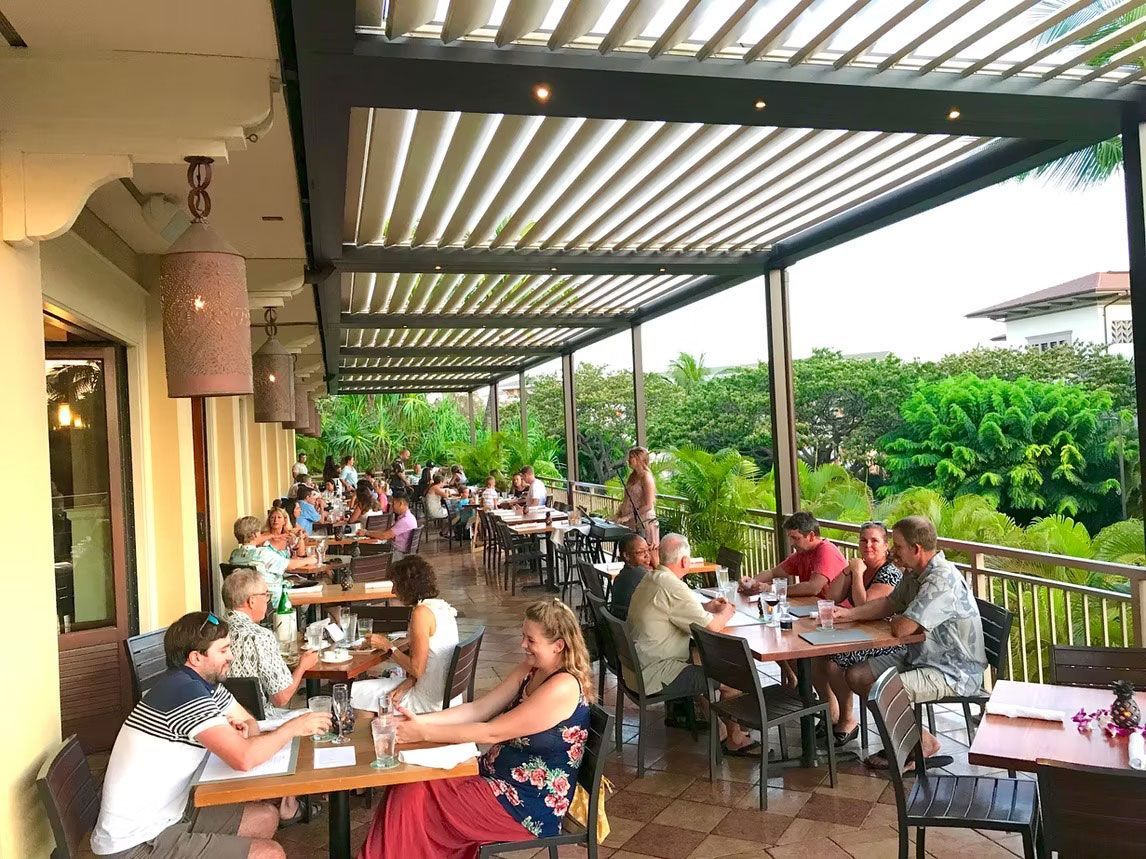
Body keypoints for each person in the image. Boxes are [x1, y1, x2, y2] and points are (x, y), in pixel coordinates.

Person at [358, 600, 592, 857]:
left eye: (530, 640)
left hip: (524, 805)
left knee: (412, 795)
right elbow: (478, 709)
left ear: (558, 645)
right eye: (523, 636)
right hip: (494, 779)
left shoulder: (563, 687)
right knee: (409, 783)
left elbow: (492, 732)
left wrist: (423, 733)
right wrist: (419, 721)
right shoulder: (532, 669)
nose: (522, 644)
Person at [90, 612, 329, 858]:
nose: (231, 657)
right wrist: (293, 727)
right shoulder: (184, 693)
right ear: (196, 657)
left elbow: (249, 721)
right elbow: (244, 759)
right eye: (223, 650)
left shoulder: (201, 684)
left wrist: (246, 733)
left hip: (173, 813)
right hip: (136, 842)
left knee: (266, 818)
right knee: (270, 854)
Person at [832, 516, 987, 769]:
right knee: (857, 675)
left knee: (883, 690)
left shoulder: (941, 579)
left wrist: (897, 618)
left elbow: (902, 628)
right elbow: (889, 604)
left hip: (952, 671)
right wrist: (848, 615)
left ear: (916, 549)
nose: (893, 551)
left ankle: (916, 744)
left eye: (898, 546)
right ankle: (919, 739)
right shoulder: (915, 572)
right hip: (922, 656)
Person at [627, 533, 755, 754]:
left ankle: (721, 730)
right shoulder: (673, 586)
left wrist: (707, 608)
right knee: (732, 675)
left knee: (701, 660)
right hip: (656, 673)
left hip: (635, 668)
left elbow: (676, 609)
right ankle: (734, 739)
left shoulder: (653, 577)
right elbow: (711, 629)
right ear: (685, 561)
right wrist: (726, 612)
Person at [810, 522, 903, 746]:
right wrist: (847, 571)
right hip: (858, 633)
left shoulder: (889, 573)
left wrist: (858, 575)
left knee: (834, 663)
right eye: (863, 540)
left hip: (885, 639)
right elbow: (830, 595)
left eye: (874, 541)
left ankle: (847, 719)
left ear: (886, 545)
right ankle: (830, 711)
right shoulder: (858, 567)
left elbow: (864, 609)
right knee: (814, 656)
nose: (868, 545)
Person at [350, 556, 459, 717]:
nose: (393, 591)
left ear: (407, 586)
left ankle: (375, 737)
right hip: (448, 696)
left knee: (357, 692)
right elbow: (431, 663)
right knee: (370, 691)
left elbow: (417, 668)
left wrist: (388, 647)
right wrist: (405, 685)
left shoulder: (421, 613)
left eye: (395, 584)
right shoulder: (442, 607)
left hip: (429, 702)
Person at [738, 511, 848, 599]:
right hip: (812, 607)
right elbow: (773, 572)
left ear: (811, 536)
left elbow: (813, 587)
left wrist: (772, 588)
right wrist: (751, 583)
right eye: (790, 538)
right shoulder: (802, 553)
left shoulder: (826, 551)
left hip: (836, 611)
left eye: (796, 538)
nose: (791, 543)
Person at [229, 516, 293, 604]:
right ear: (255, 534)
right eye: (259, 532)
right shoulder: (262, 553)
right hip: (272, 602)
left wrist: (271, 535)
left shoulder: (234, 555)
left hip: (244, 600)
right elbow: (289, 565)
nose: (261, 534)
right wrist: (311, 559)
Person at [617, 446, 659, 550]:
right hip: (631, 522)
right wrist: (619, 514)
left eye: (631, 457)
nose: (628, 460)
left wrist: (628, 516)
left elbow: (648, 505)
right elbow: (627, 499)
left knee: (646, 553)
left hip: (643, 521)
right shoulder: (632, 476)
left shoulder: (646, 477)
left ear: (639, 459)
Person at [608, 533, 652, 620]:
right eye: (640, 552)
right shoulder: (641, 575)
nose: (648, 556)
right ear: (627, 556)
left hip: (620, 627)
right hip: (632, 626)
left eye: (648, 550)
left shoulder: (621, 576)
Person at [369, 494, 418, 559]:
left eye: (393, 503)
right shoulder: (409, 517)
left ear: (400, 504)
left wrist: (366, 532)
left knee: (368, 552)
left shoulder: (405, 520)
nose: (392, 506)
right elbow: (387, 531)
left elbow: (384, 536)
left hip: (398, 554)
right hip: (397, 550)